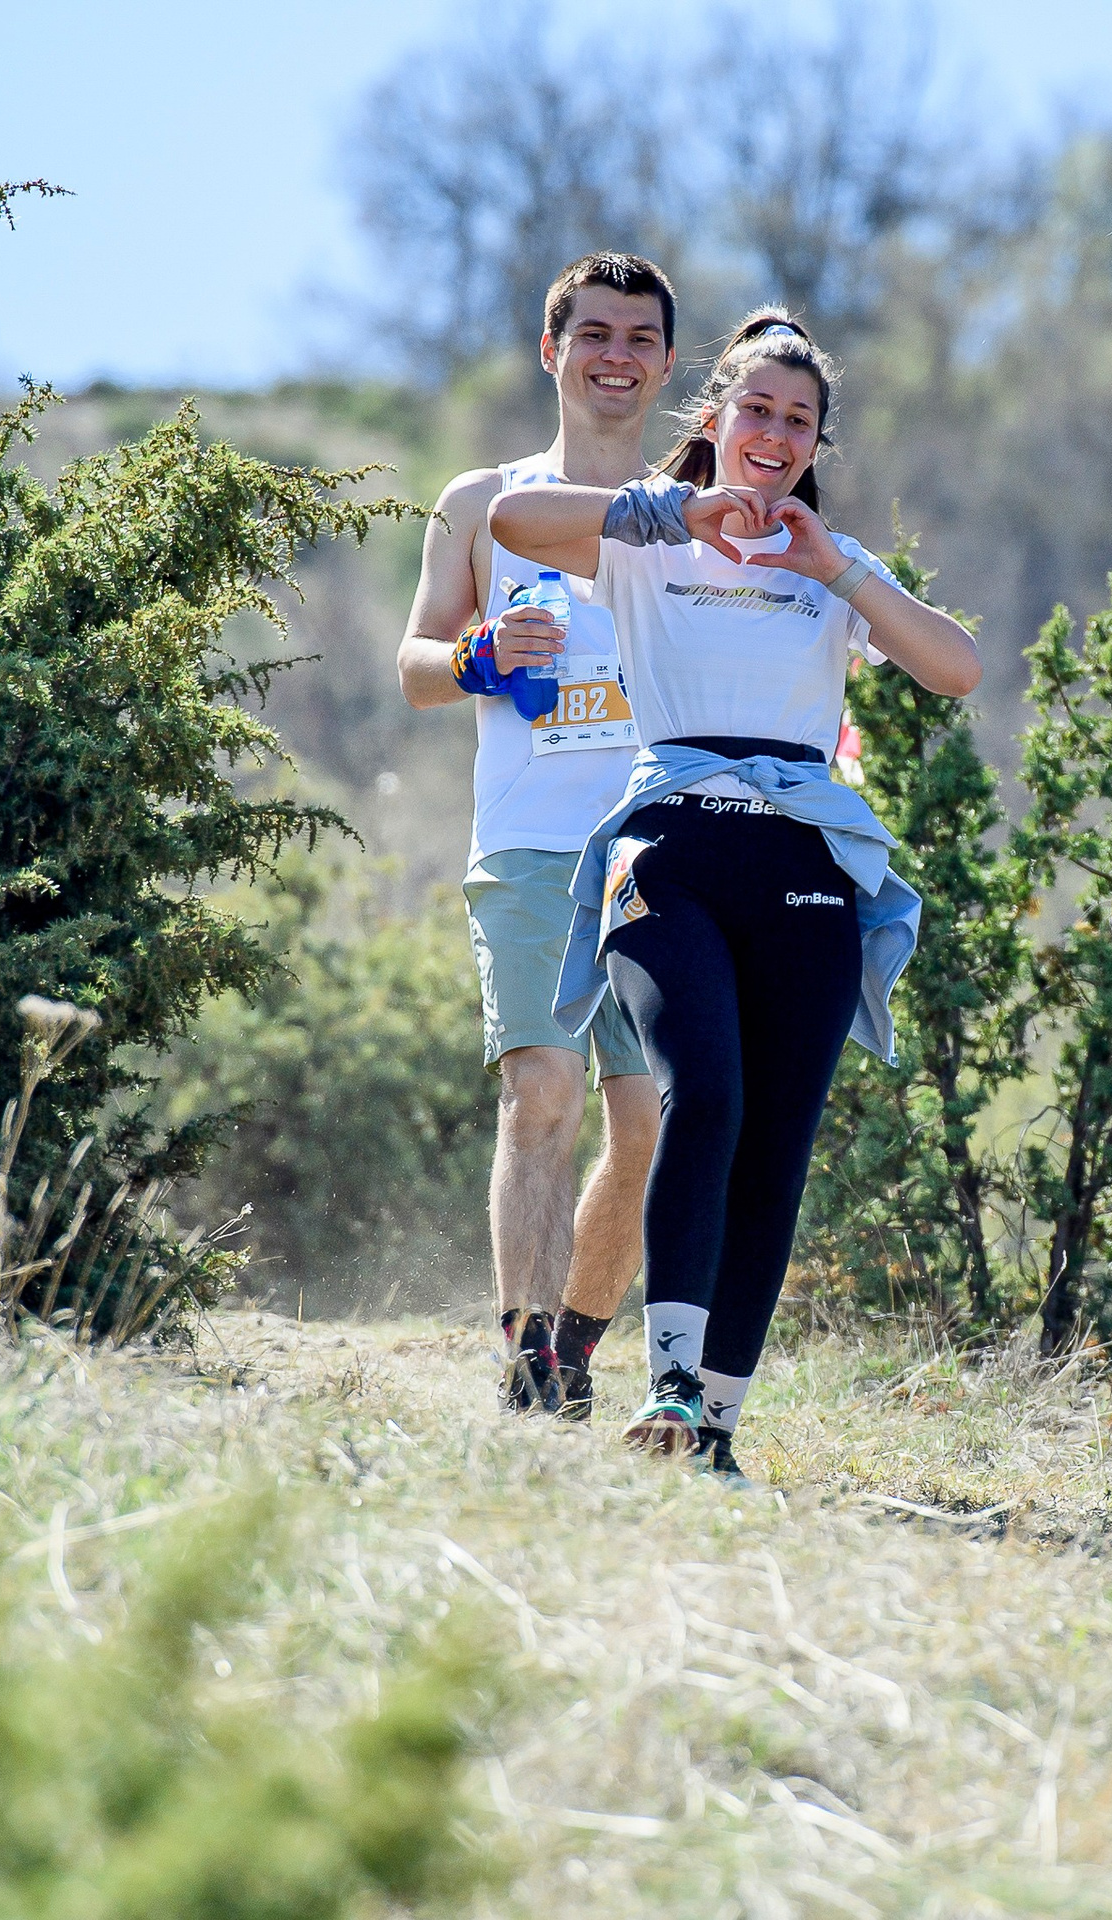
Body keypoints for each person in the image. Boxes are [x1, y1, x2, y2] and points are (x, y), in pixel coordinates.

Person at [490, 308, 981, 1478]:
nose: (773, 432)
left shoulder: (832, 571)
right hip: (670, 850)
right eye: (753, 409)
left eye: (797, 420)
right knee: (698, 1095)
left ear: (816, 444)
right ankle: (663, 1377)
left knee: (776, 1143)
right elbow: (513, 517)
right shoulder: (648, 542)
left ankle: (713, 1423)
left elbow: (955, 667)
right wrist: (668, 507)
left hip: (803, 869)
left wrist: (843, 566)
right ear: (712, 419)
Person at [397, 254, 677, 1417]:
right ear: (551, 350)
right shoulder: (480, 503)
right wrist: (476, 661)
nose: (615, 356)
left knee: (650, 1124)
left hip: (662, 849)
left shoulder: (687, 512)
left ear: (664, 364)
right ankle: (522, 1354)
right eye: (593, 334)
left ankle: (572, 1345)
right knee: (542, 1094)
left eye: (639, 339)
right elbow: (414, 666)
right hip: (527, 849)